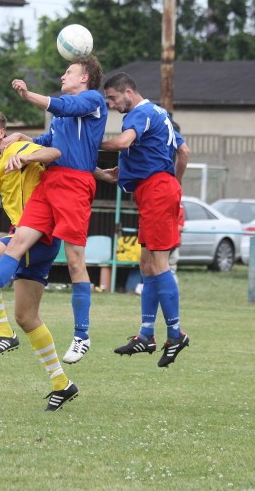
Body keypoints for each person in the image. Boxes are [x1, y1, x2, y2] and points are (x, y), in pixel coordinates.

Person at [0, 55, 108, 371]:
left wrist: (29, 96)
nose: (62, 75)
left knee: (74, 261)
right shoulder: (63, 117)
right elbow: (53, 142)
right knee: (17, 243)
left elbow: (64, 121)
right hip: (52, 184)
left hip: (73, 186)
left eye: (68, 71)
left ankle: (82, 335)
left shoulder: (93, 99)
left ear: (84, 78)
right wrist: (26, 139)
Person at [0, 109, 77, 411]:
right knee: (27, 317)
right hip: (38, 241)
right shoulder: (0, 160)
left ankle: (3, 333)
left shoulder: (15, 148)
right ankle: (62, 383)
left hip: (34, 236)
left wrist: (28, 154)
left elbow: (55, 151)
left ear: (1, 133)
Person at [100, 72, 192, 367]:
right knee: (146, 263)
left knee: (159, 263)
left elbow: (125, 142)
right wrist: (170, 183)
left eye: (113, 98)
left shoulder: (138, 114)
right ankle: (146, 335)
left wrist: (91, 144)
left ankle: (175, 334)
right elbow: (184, 151)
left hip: (157, 192)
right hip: (155, 190)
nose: (112, 105)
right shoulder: (160, 113)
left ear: (128, 91)